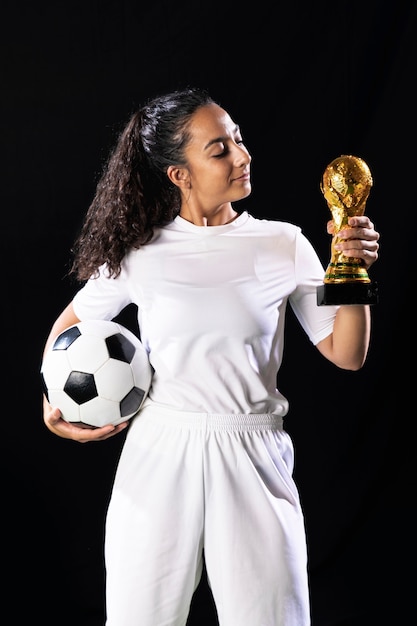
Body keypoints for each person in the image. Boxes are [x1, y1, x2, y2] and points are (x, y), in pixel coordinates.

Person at [42, 86, 380, 626]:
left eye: (239, 140)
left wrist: (352, 269)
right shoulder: (141, 250)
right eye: (219, 149)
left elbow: (347, 353)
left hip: (252, 450)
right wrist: (56, 404)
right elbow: (69, 330)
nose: (242, 156)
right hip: (160, 450)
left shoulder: (283, 243)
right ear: (180, 173)